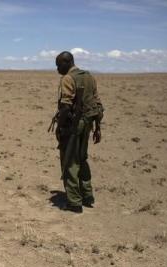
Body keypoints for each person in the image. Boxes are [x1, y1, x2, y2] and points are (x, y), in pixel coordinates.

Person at [51, 51, 104, 213]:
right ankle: (87, 196)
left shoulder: (68, 78)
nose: (57, 69)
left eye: (59, 65)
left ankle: (74, 202)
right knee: (82, 158)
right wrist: (97, 127)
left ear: (67, 62)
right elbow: (97, 104)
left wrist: (60, 127)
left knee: (70, 162)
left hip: (73, 126)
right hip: (87, 123)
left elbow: (66, 107)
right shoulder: (89, 77)